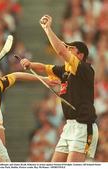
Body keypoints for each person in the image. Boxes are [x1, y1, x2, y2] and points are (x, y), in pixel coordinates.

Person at [21, 15, 98, 162]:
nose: (67, 49)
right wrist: (29, 64)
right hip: (69, 126)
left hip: (83, 126)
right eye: (67, 47)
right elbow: (44, 67)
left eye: (71, 48)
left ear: (80, 55)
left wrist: (47, 28)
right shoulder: (65, 69)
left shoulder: (84, 69)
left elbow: (61, 51)